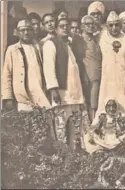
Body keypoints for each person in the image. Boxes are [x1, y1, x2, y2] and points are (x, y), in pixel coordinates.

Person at [43, 18, 84, 149]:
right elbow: (48, 68)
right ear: (55, 29)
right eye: (61, 26)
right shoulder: (50, 44)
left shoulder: (70, 44)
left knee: (75, 130)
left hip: (75, 94)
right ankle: (61, 158)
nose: (65, 28)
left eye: (67, 26)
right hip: (61, 94)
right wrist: (53, 90)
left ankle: (73, 157)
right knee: (60, 130)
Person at [2, 20, 51, 112]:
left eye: (28, 29)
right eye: (22, 30)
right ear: (17, 32)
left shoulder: (38, 47)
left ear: (32, 31)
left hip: (41, 94)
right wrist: (8, 97)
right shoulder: (12, 50)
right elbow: (6, 75)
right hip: (23, 97)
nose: (26, 32)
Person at [96, 11, 125, 115]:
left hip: (122, 81)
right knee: (105, 110)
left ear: (120, 25)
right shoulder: (100, 38)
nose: (114, 28)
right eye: (111, 25)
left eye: (116, 25)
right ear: (107, 26)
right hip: (106, 81)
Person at [73, 15, 102, 123]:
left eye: (92, 24)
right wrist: (83, 76)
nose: (90, 26)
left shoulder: (95, 39)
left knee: (96, 103)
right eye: (87, 24)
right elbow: (79, 59)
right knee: (91, 105)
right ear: (82, 26)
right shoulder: (80, 40)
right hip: (88, 78)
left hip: (97, 76)